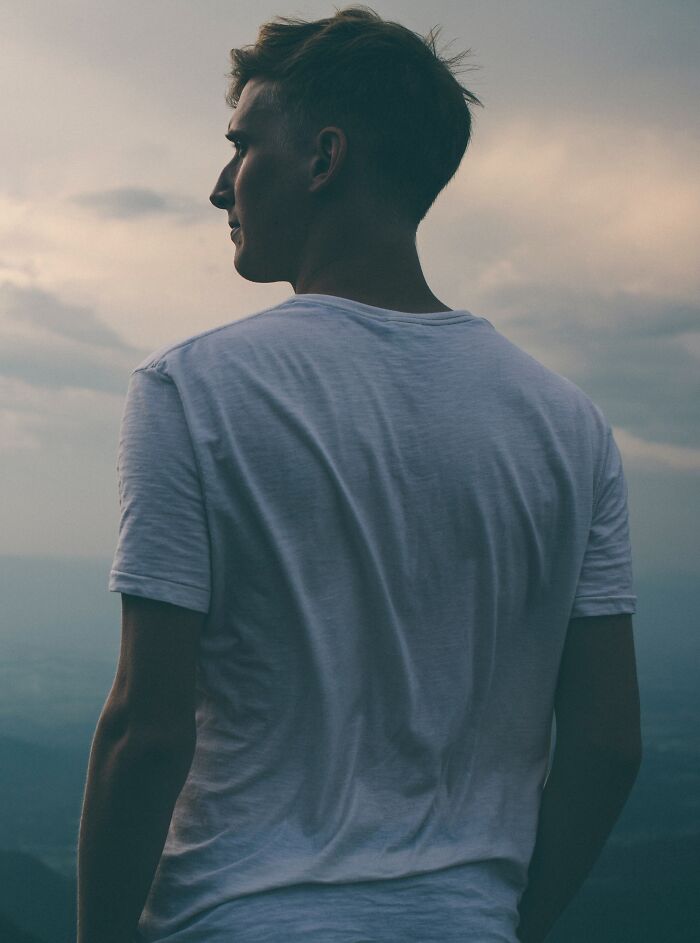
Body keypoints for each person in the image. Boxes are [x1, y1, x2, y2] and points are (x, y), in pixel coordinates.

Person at [76, 6, 642, 943]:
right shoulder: (568, 424)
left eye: (242, 146)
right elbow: (607, 741)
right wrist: (504, 919)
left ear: (323, 159)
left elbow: (148, 728)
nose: (221, 188)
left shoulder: (191, 388)